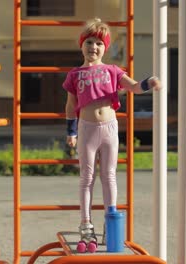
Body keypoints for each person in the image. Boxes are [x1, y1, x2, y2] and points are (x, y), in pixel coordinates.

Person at [62, 18, 161, 253]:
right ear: (81, 45)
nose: (93, 47)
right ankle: (86, 224)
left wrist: (149, 83)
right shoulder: (76, 74)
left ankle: (110, 220)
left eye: (98, 43)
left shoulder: (113, 71)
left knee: (109, 175)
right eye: (89, 42)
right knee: (86, 177)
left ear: (105, 47)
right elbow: (70, 104)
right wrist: (71, 130)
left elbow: (135, 87)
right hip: (86, 128)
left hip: (109, 128)